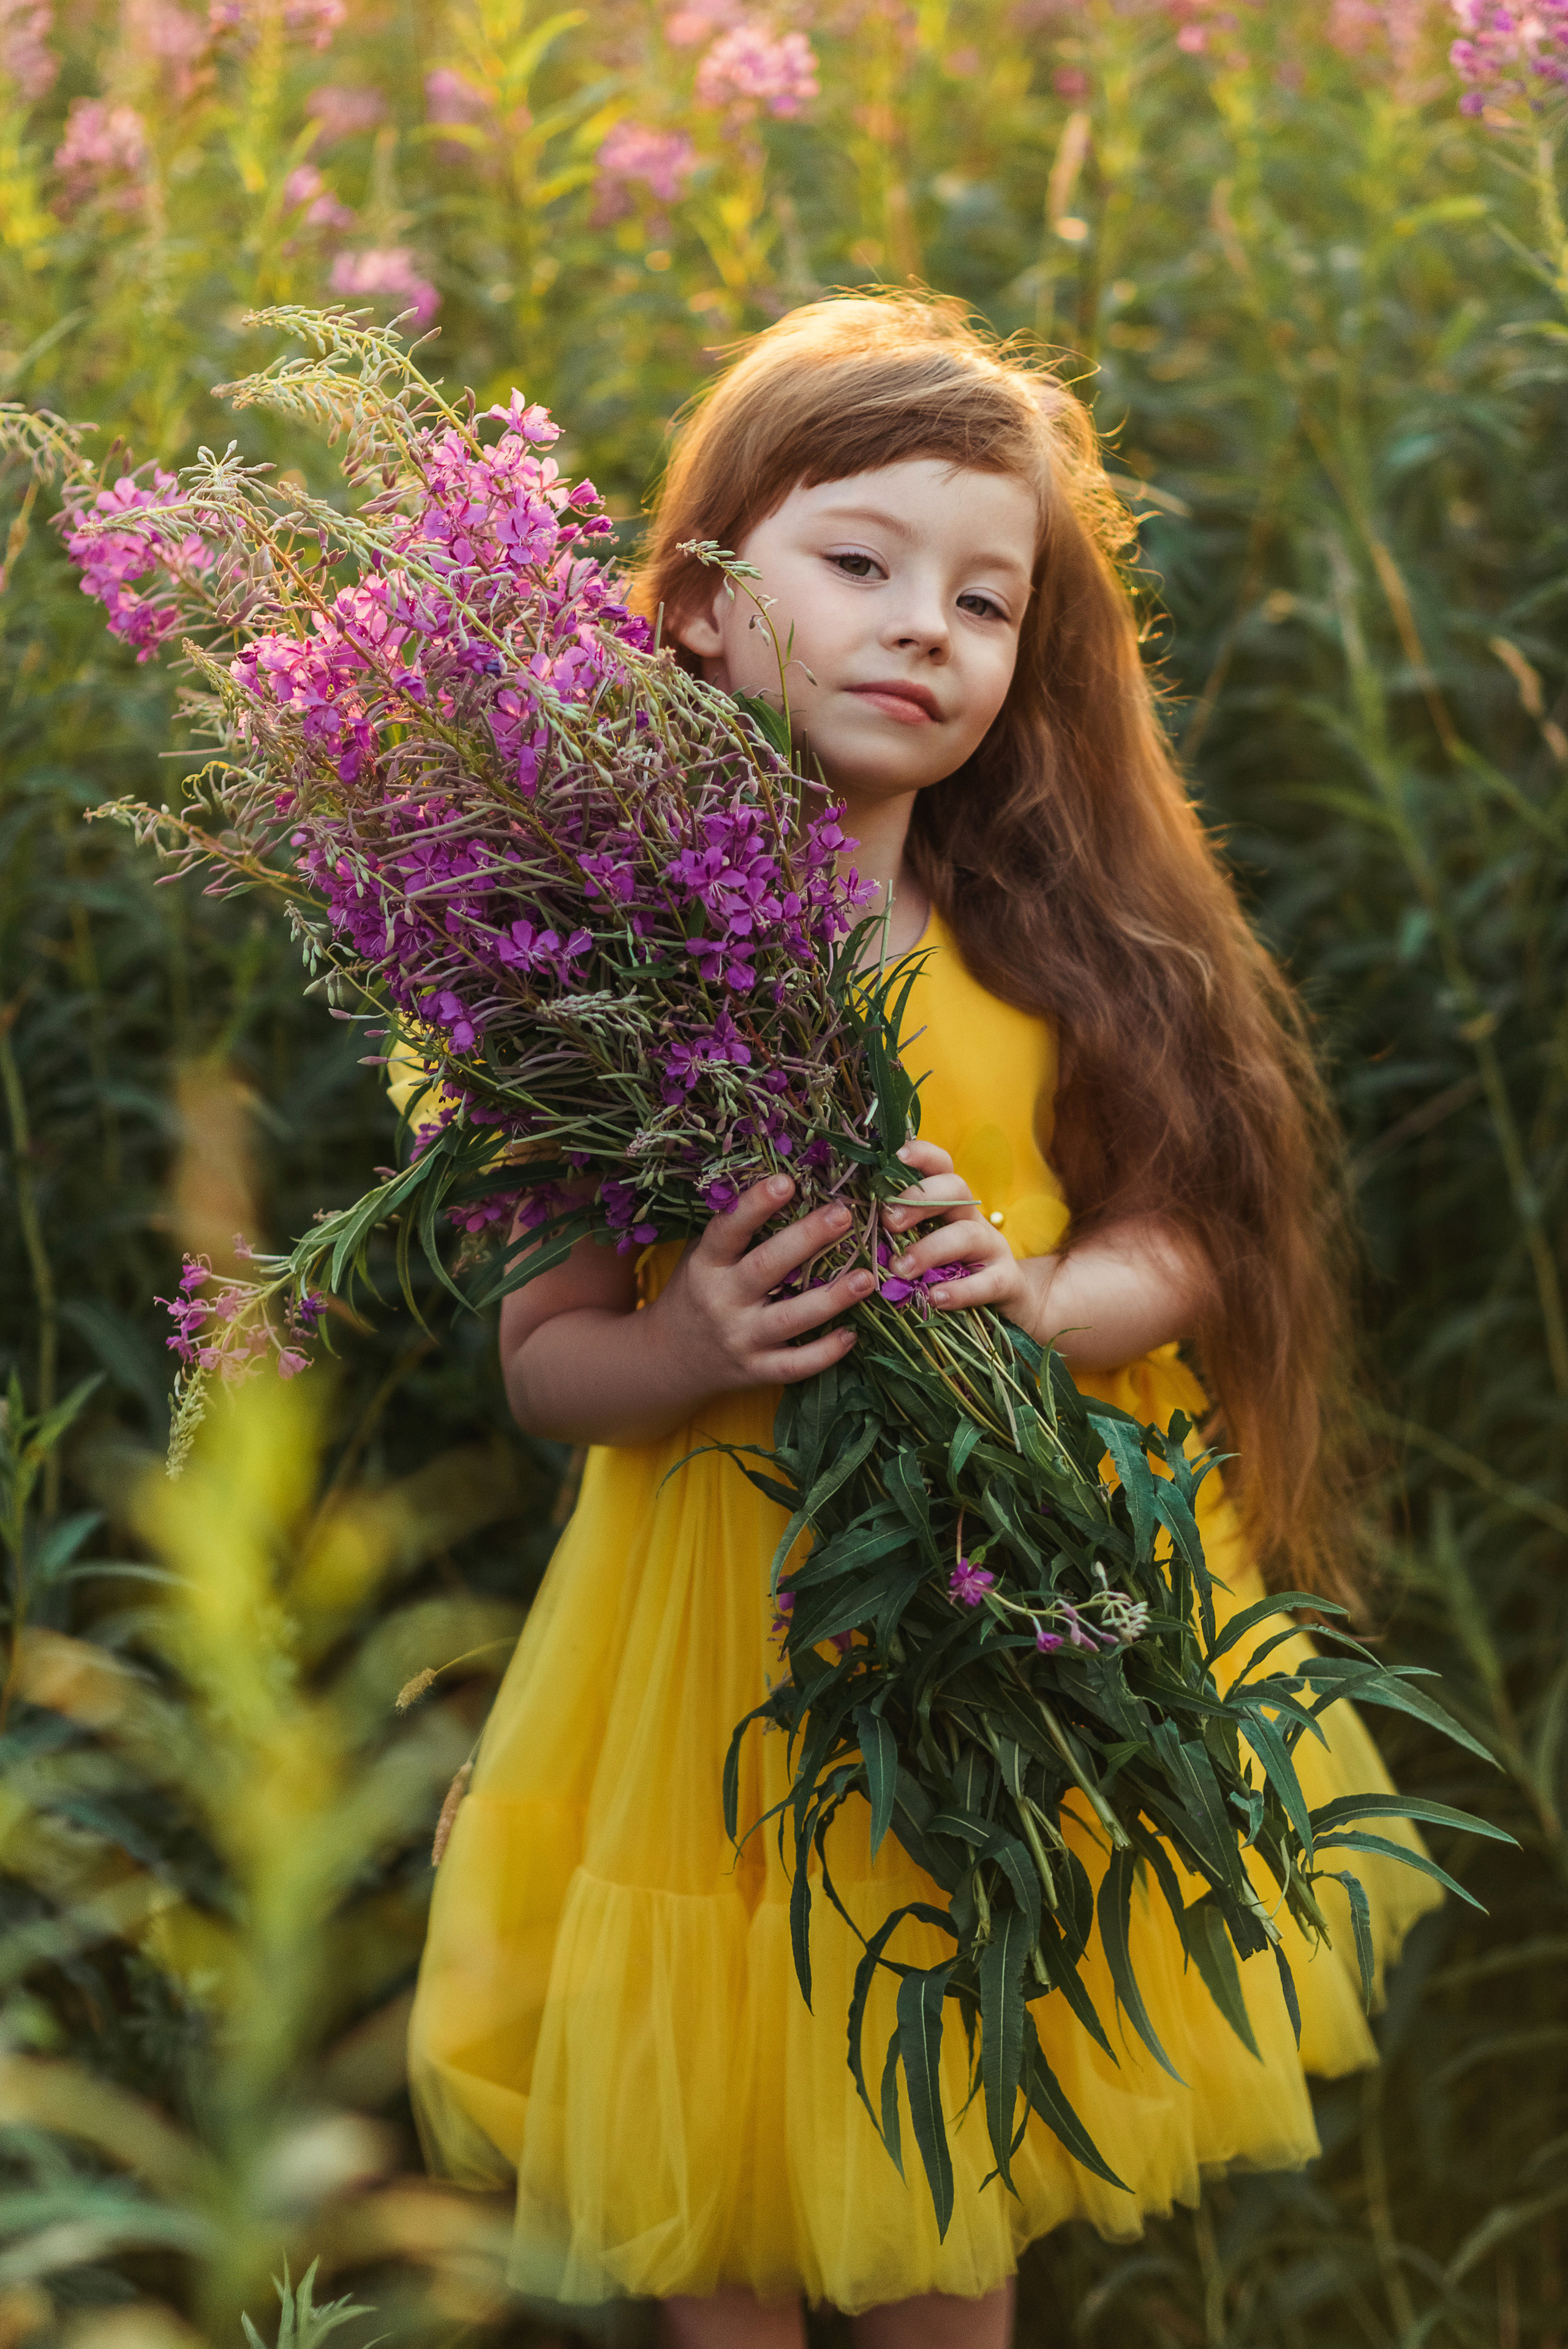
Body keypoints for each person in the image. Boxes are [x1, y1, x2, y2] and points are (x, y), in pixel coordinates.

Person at [403, 293, 1438, 2345]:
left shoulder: (1046, 937)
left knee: (951, 2163)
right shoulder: (582, 969)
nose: (926, 629)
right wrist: (692, 1343)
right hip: (712, 1672)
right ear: (699, 604)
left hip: (996, 1635)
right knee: (721, 2210)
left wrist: (1049, 1299)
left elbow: (1195, 1232)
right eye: (858, 564)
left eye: (987, 597)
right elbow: (551, 1363)